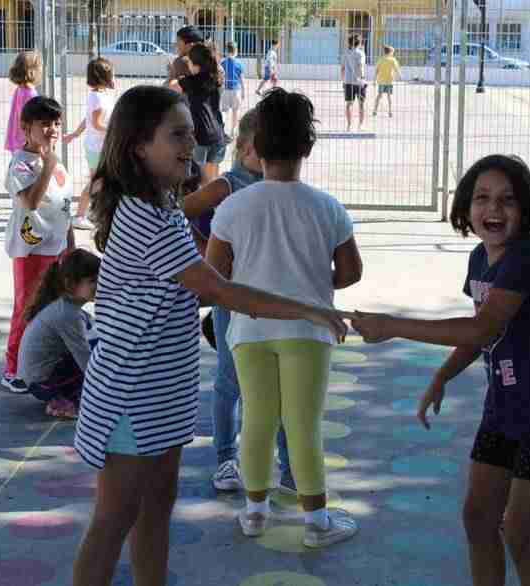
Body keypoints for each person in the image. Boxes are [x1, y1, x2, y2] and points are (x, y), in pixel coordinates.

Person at [70, 84, 347, 586]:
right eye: (176, 135)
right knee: (113, 521)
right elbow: (222, 291)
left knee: (156, 511)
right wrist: (310, 308)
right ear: (138, 146)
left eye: (191, 134)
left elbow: (194, 290)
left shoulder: (162, 210)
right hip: (130, 396)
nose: (189, 145)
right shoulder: (145, 217)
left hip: (162, 395)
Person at [350, 154, 530, 586]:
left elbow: (483, 326)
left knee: (520, 534)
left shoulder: (528, 259)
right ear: (465, 205)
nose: (493, 210)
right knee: (478, 521)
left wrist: (392, 325)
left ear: (527, 209)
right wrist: (444, 374)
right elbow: (482, 334)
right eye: (482, 198)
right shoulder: (482, 258)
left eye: (507, 200)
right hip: (506, 407)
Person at [207, 88, 363, 548]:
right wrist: (310, 286)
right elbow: (351, 271)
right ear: (308, 147)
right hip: (308, 333)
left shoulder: (233, 206)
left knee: (255, 417)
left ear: (254, 146)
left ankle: (254, 513)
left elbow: (217, 274)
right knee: (303, 424)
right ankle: (317, 522)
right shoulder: (327, 207)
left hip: (249, 332)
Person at [182, 109, 294, 493]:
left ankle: (287, 464)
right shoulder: (228, 185)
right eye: (266, 146)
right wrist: (208, 255)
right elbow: (178, 216)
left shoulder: (283, 182)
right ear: (246, 147)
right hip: (232, 298)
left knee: (278, 382)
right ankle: (226, 458)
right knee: (231, 379)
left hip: (272, 297)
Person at [2, 96, 75, 395]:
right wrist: (48, 166)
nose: (52, 129)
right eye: (44, 124)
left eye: (56, 123)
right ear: (26, 128)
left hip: (56, 247)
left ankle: (42, 363)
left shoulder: (53, 162)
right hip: (31, 249)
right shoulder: (22, 163)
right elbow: (30, 202)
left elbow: (64, 208)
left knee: (51, 308)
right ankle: (12, 368)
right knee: (27, 308)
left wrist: (70, 244)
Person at [18, 249, 100, 419]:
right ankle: (63, 401)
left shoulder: (68, 306)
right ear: (71, 284)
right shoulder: (67, 314)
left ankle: (65, 398)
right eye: (93, 280)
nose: (100, 285)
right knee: (98, 359)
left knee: (98, 346)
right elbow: (85, 359)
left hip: (38, 379)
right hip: (42, 383)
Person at [64, 57, 116, 230]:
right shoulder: (99, 99)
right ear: (104, 77)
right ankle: (79, 215)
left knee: (101, 181)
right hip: (97, 148)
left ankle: (93, 212)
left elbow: (87, 120)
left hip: (96, 146)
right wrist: (114, 130)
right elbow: (96, 123)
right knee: (96, 181)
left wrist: (74, 134)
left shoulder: (97, 95)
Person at [174, 43, 227, 187]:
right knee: (212, 182)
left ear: (193, 63)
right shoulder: (216, 78)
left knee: (198, 184)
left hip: (200, 136)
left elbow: (170, 88)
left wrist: (176, 72)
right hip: (218, 135)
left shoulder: (190, 81)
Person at [5, 51, 42, 153]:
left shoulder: (20, 89)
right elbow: (32, 121)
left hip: (16, 141)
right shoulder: (31, 94)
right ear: (33, 71)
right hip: (26, 145)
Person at [341, 34, 367, 131]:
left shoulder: (345, 53)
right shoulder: (361, 53)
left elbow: (342, 68)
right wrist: (362, 77)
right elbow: (361, 67)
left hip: (348, 81)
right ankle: (361, 125)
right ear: (359, 43)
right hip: (359, 82)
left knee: (349, 104)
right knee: (361, 104)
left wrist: (343, 80)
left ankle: (349, 125)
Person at [220, 42, 246, 137]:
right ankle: (233, 131)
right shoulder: (239, 64)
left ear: (227, 50)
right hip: (236, 90)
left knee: (224, 111)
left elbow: (220, 77)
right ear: (236, 50)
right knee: (236, 110)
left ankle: (222, 129)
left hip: (225, 89)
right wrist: (244, 91)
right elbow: (242, 79)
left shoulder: (222, 63)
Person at [373, 45, 401, 118]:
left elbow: (376, 70)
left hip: (381, 81)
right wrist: (399, 76)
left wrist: (374, 80)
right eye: (393, 52)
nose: (393, 53)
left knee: (379, 96)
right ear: (390, 52)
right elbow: (396, 69)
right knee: (389, 97)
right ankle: (390, 111)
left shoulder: (380, 59)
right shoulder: (393, 60)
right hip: (389, 81)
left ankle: (375, 110)